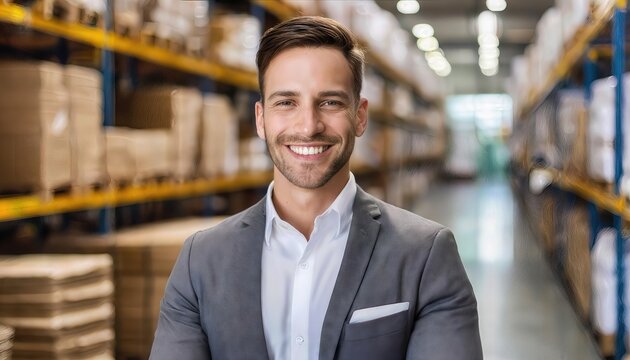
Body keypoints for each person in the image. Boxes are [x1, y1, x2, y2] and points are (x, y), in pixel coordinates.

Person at [149, 16, 482, 360]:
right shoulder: (201, 260)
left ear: (360, 116)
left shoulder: (425, 256)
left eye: (330, 102)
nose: (308, 126)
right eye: (286, 102)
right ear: (261, 119)